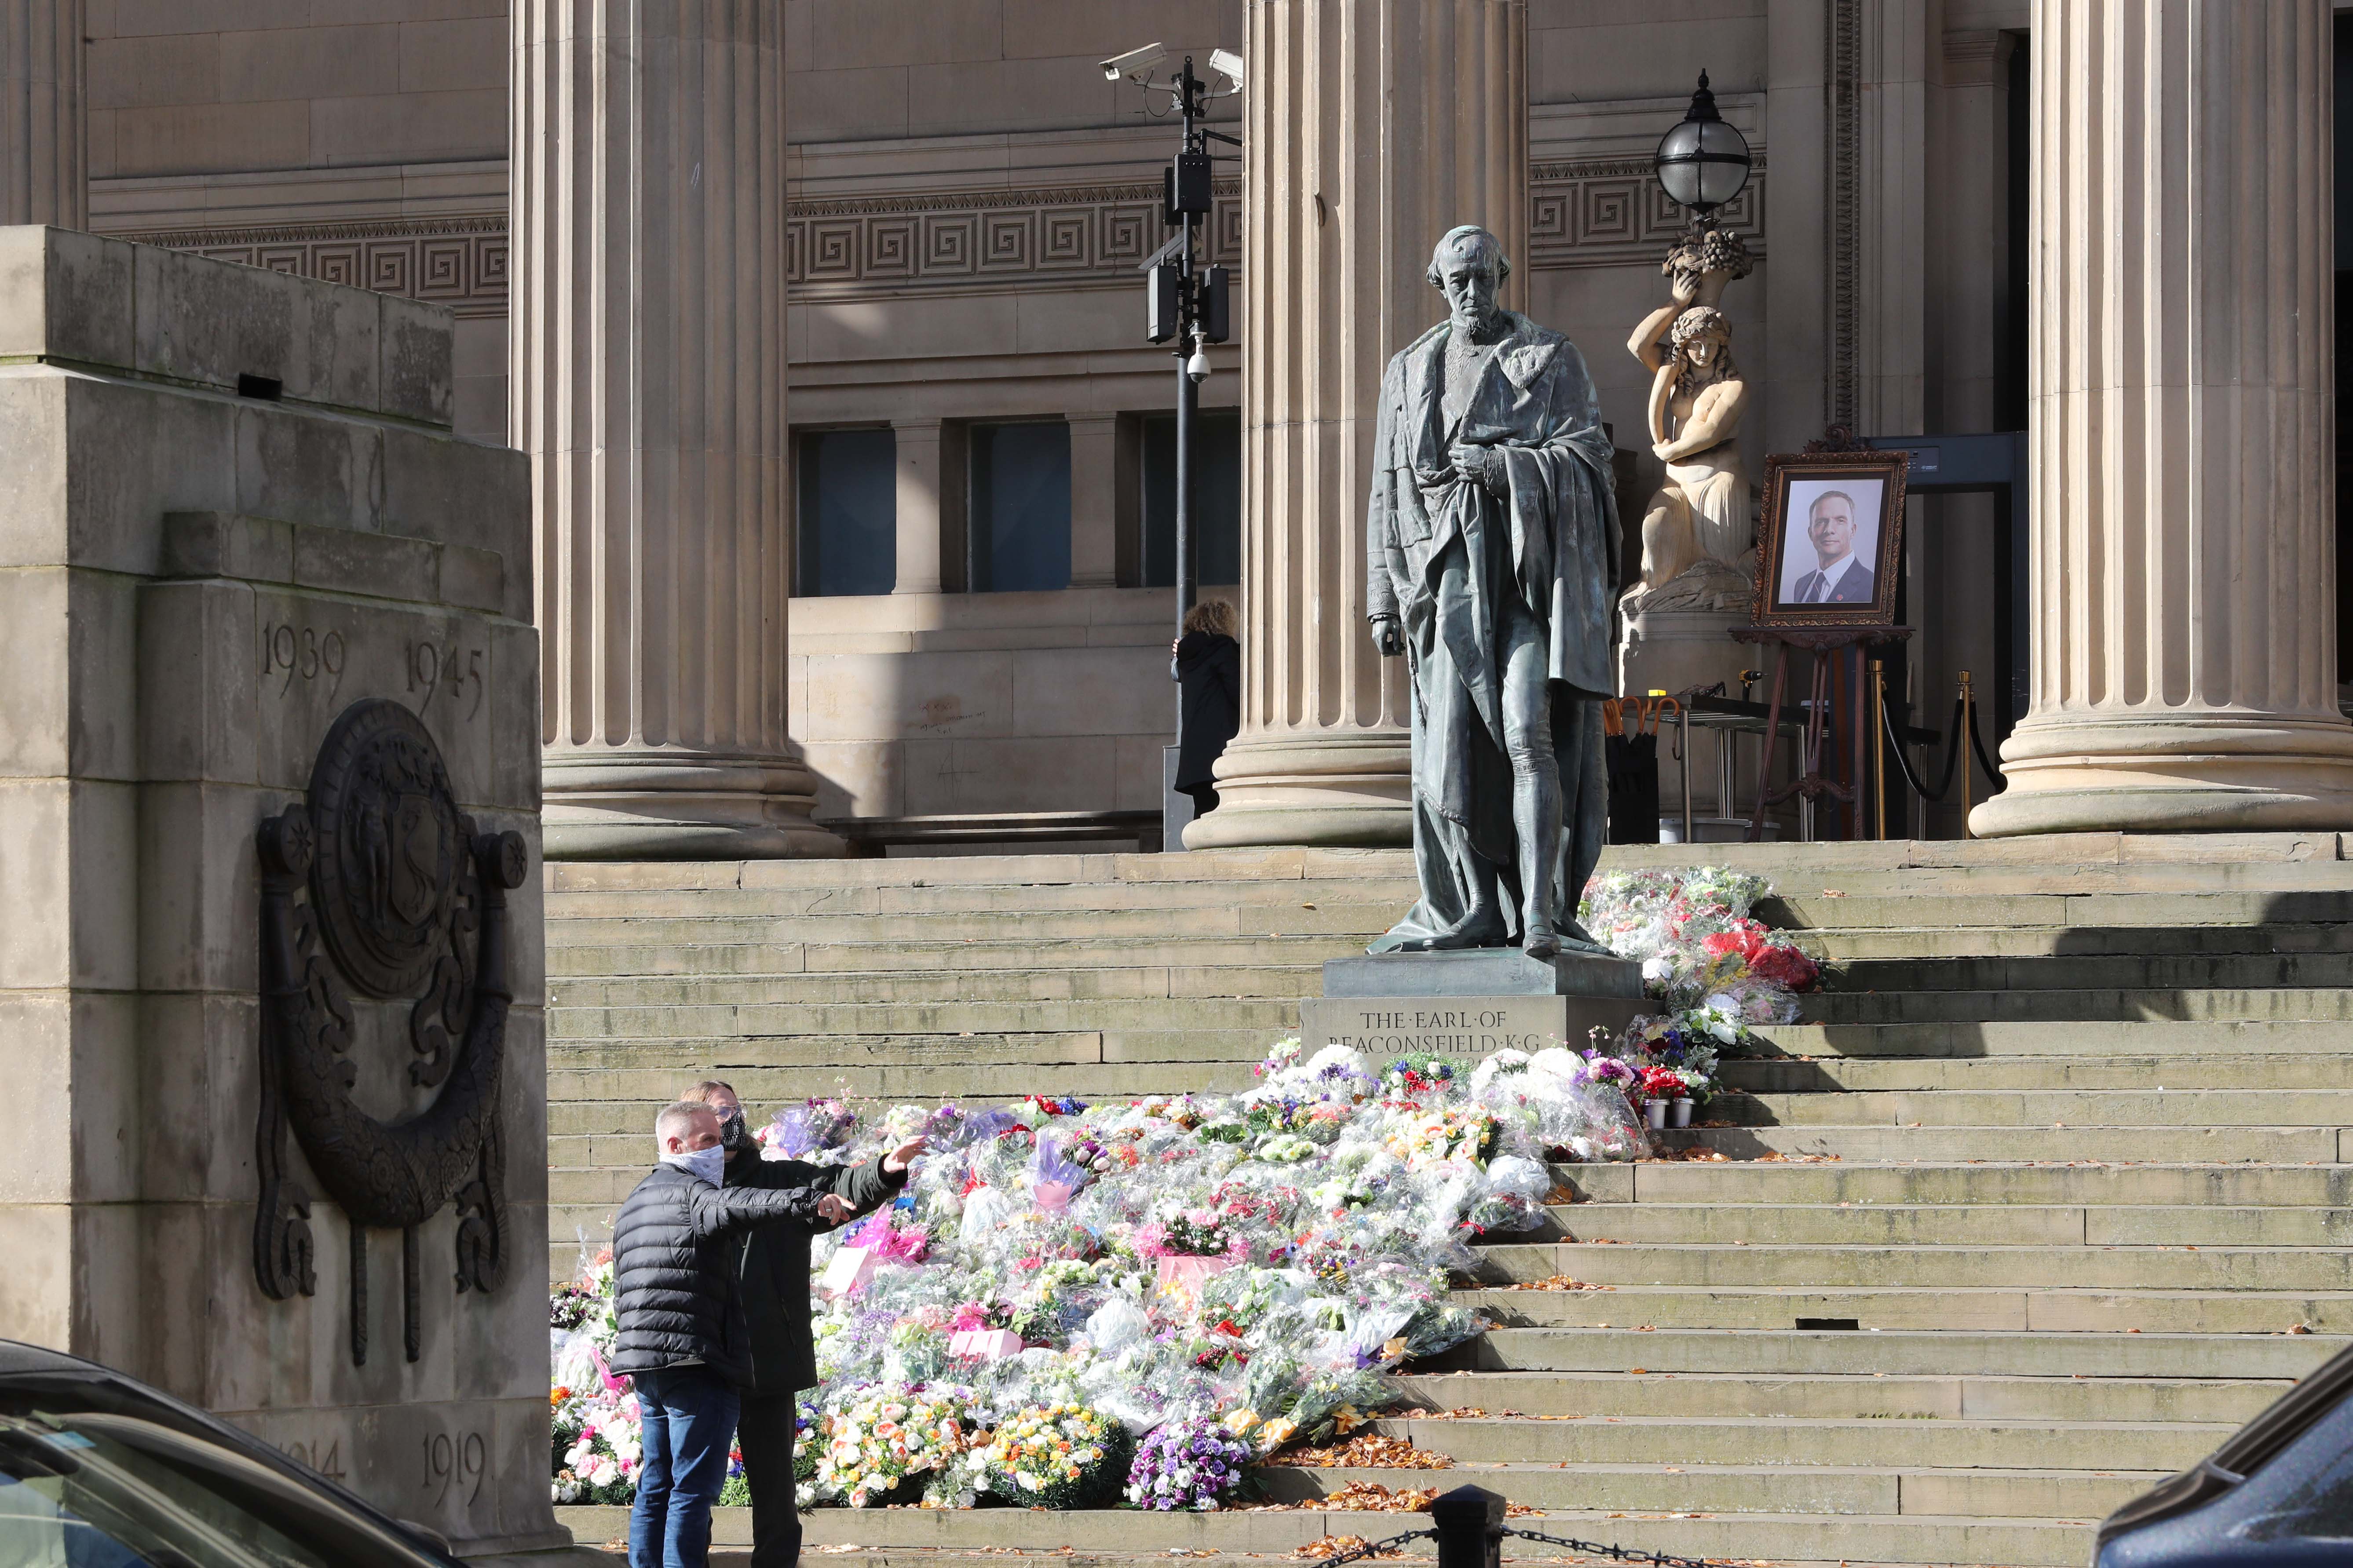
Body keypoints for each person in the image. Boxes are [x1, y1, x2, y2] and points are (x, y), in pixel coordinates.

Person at [1365, 225, 1620, 958]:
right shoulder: (1409, 369)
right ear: (1437, 283)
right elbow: (1385, 488)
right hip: (1439, 580)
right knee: (1452, 752)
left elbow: (1591, 461)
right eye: (1458, 280)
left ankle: (1541, 912)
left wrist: (1509, 469)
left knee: (1528, 731)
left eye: (1483, 277)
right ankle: (1478, 906)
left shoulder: (1550, 358)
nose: (1471, 292)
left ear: (1502, 275)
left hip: (1528, 580)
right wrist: (1383, 595)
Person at [682, 1082, 922, 1568]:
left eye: (729, 1109)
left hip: (765, 1352)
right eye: (710, 1114)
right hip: (702, 1358)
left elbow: (838, 1187)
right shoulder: (678, 1188)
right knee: (693, 1485)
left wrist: (884, 1170)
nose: (723, 1121)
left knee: (774, 1487)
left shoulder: (781, 1180)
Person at [611, 1100, 851, 1568]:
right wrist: (807, 1199)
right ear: (673, 1145)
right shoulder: (694, 1194)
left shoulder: (636, 1200)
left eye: (720, 1141)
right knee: (690, 1490)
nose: (717, 1152)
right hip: (696, 1362)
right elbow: (745, 1203)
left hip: (647, 1365)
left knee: (656, 1482)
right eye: (706, 1141)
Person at [1169, 598, 1241, 819]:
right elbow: (1239, 693)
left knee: (1203, 815)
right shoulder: (1224, 650)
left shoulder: (1186, 657)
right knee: (1227, 817)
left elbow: (1177, 673)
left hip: (1196, 754)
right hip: (1221, 749)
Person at [1787, 489, 1874, 606]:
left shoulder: (1873, 585)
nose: (1829, 530)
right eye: (1821, 522)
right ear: (1810, 533)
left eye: (1840, 521)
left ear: (1853, 531)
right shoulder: (1801, 585)